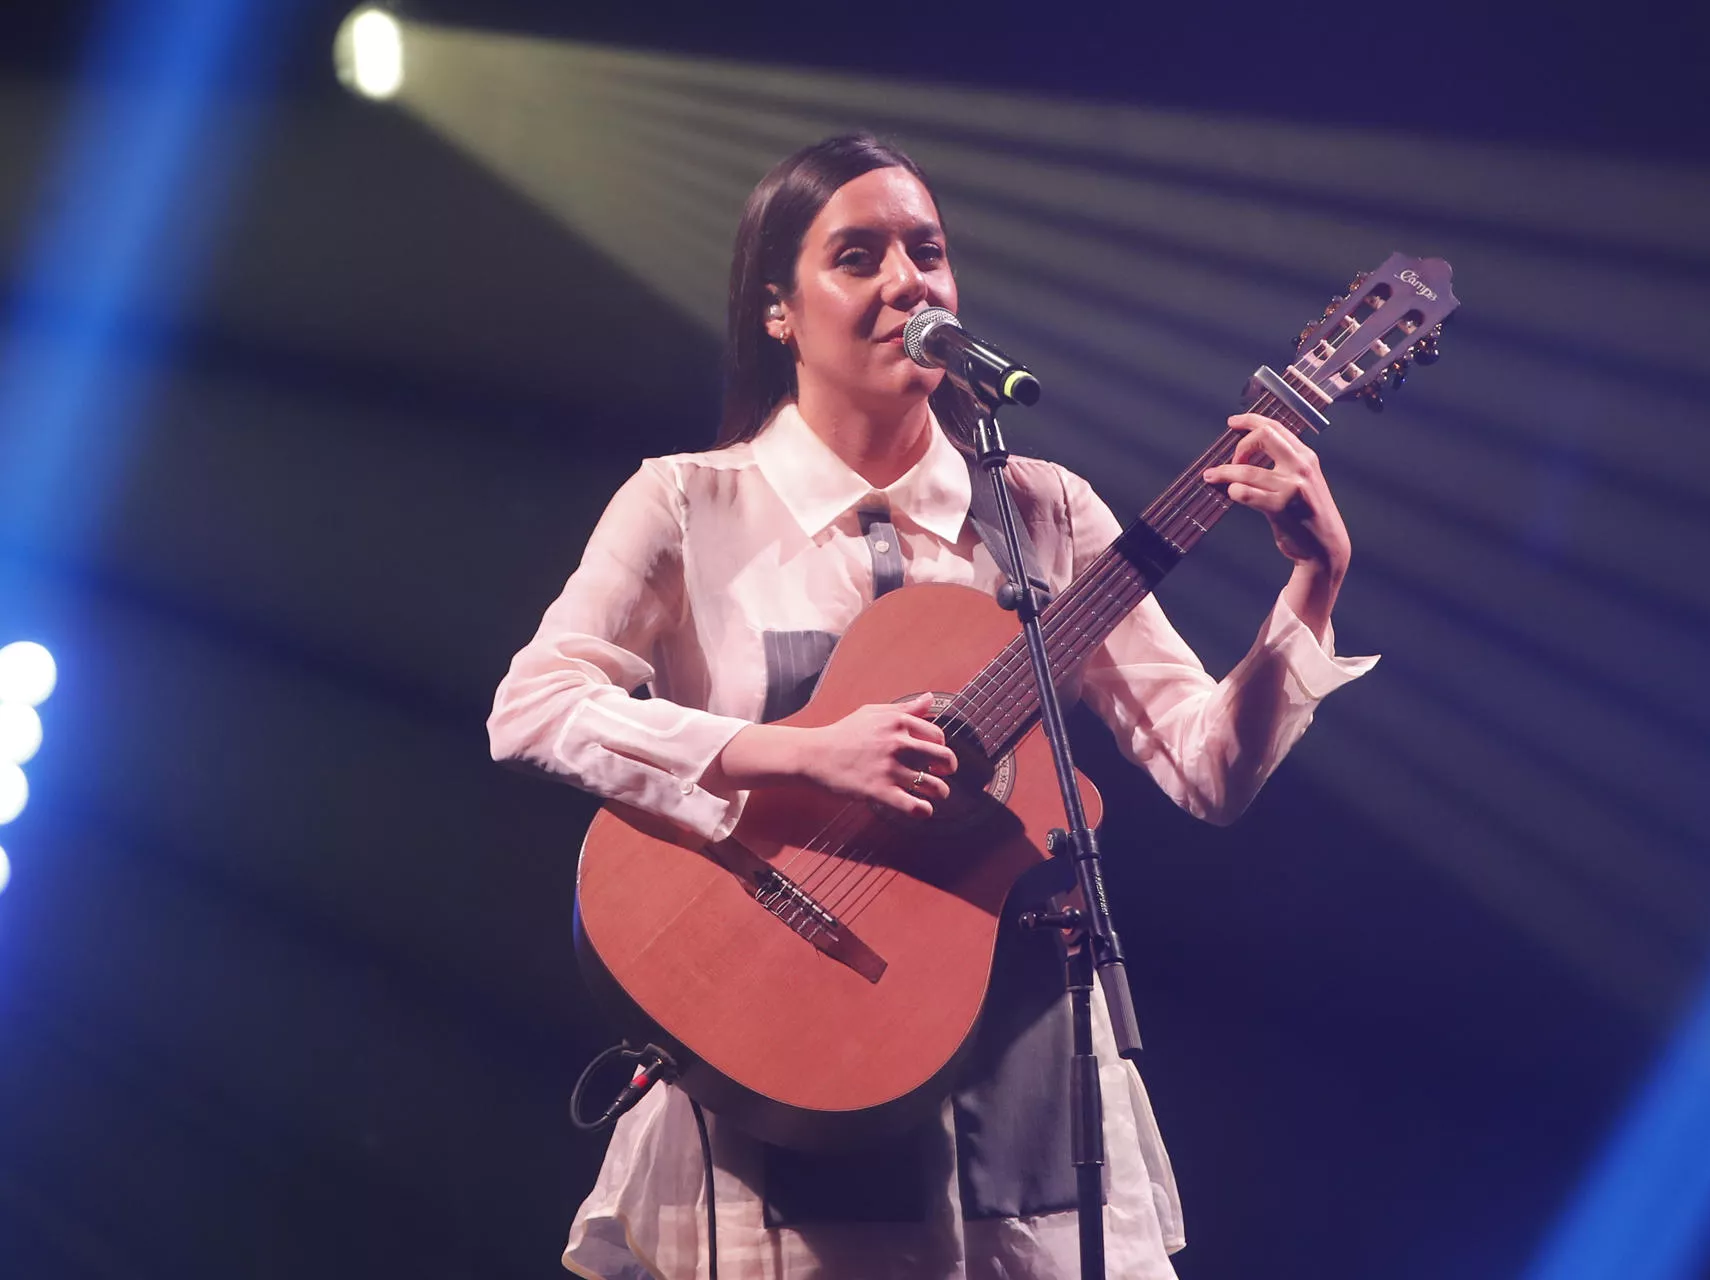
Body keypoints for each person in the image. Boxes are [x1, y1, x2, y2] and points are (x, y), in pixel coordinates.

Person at [488, 133, 1376, 1280]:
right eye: (859, 256)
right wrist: (797, 751)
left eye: (929, 252)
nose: (909, 280)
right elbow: (537, 702)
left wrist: (1311, 586)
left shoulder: (1046, 513)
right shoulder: (688, 504)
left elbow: (1209, 767)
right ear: (778, 310)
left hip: (1025, 1106)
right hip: (782, 1088)